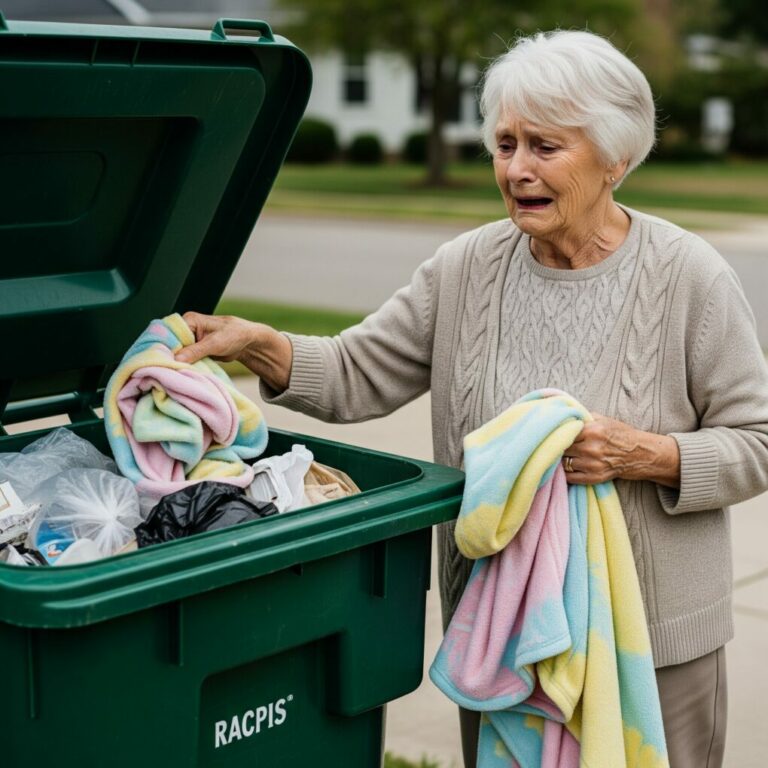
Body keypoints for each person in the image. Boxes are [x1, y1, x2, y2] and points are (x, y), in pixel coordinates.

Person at [176, 30, 768, 768]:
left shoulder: (689, 276)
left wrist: (642, 453)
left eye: (545, 147)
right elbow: (360, 370)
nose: (516, 169)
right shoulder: (466, 268)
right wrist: (261, 344)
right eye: (504, 143)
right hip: (502, 633)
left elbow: (757, 439)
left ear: (616, 159)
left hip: (650, 640)